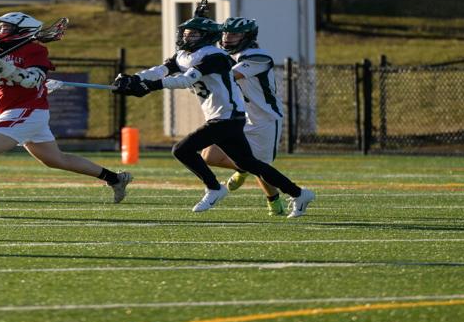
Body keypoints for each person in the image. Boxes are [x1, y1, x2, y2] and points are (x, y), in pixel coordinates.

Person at [114, 16, 315, 217]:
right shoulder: (185, 54)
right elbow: (160, 70)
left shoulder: (216, 56)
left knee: (182, 150)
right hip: (226, 117)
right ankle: (299, 193)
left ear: (206, 36)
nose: (187, 37)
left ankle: (215, 188)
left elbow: (186, 80)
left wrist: (148, 87)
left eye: (193, 33)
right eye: (186, 33)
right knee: (250, 164)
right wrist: (135, 79)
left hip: (232, 117)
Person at [0, 12, 131, 215]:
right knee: (56, 160)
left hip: (27, 110)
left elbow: (33, 80)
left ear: (22, 30)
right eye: (0, 27)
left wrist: (8, 70)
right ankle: (116, 178)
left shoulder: (35, 50)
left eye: (5, 27)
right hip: (17, 112)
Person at [200, 17, 293, 217]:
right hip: (236, 117)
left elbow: (228, 76)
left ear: (247, 36)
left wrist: (194, 73)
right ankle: (243, 166)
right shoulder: (223, 56)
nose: (227, 38)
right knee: (209, 156)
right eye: (225, 33)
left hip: (263, 119)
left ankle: (275, 203)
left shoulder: (257, 57)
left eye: (233, 34)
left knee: (262, 167)